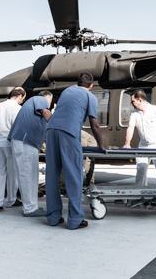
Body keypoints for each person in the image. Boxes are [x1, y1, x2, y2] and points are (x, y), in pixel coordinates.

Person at [45, 72, 105, 230]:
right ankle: (75, 220)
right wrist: (102, 145)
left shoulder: (67, 91)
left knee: (52, 174)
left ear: (78, 82)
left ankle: (53, 217)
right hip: (68, 132)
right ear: (91, 86)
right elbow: (94, 124)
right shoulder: (90, 96)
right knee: (74, 175)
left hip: (51, 130)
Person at [8, 90, 53, 217]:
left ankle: (31, 206)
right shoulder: (40, 100)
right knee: (28, 175)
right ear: (47, 99)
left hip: (26, 142)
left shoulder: (32, 106)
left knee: (29, 175)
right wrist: (58, 125)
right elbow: (46, 112)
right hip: (25, 142)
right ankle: (29, 209)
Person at [123, 89, 156, 186]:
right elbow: (130, 128)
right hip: (143, 145)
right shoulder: (134, 113)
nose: (131, 103)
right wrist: (127, 144)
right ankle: (140, 194)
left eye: (133, 101)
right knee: (141, 170)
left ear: (140, 100)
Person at [0, 87, 25, 211]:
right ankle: (10, 200)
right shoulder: (18, 108)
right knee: (12, 173)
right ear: (20, 96)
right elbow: (18, 126)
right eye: (23, 99)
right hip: (11, 143)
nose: (22, 101)